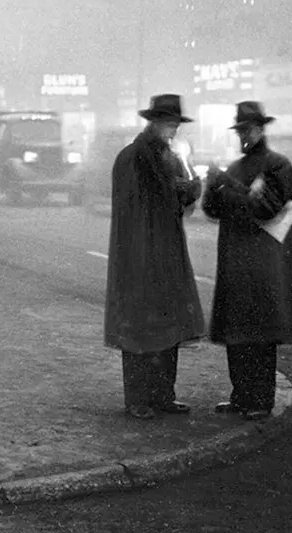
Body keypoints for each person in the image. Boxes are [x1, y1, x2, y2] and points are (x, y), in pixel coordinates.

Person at [104, 93, 205, 420]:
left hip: (164, 251)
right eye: (169, 123)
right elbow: (161, 198)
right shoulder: (135, 157)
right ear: (155, 122)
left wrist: (187, 181)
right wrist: (188, 186)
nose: (174, 129)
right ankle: (139, 398)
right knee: (139, 327)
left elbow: (179, 202)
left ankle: (162, 395)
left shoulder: (165, 155)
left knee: (167, 325)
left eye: (176, 123)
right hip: (139, 254)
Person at [202, 101, 292, 421]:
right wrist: (213, 187)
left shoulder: (278, 165)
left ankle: (260, 399)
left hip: (262, 262)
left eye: (249, 129)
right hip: (238, 258)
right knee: (238, 331)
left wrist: (228, 188)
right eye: (241, 130)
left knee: (258, 331)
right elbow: (213, 211)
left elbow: (267, 208)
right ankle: (241, 395)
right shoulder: (236, 168)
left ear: (261, 129)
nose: (245, 135)